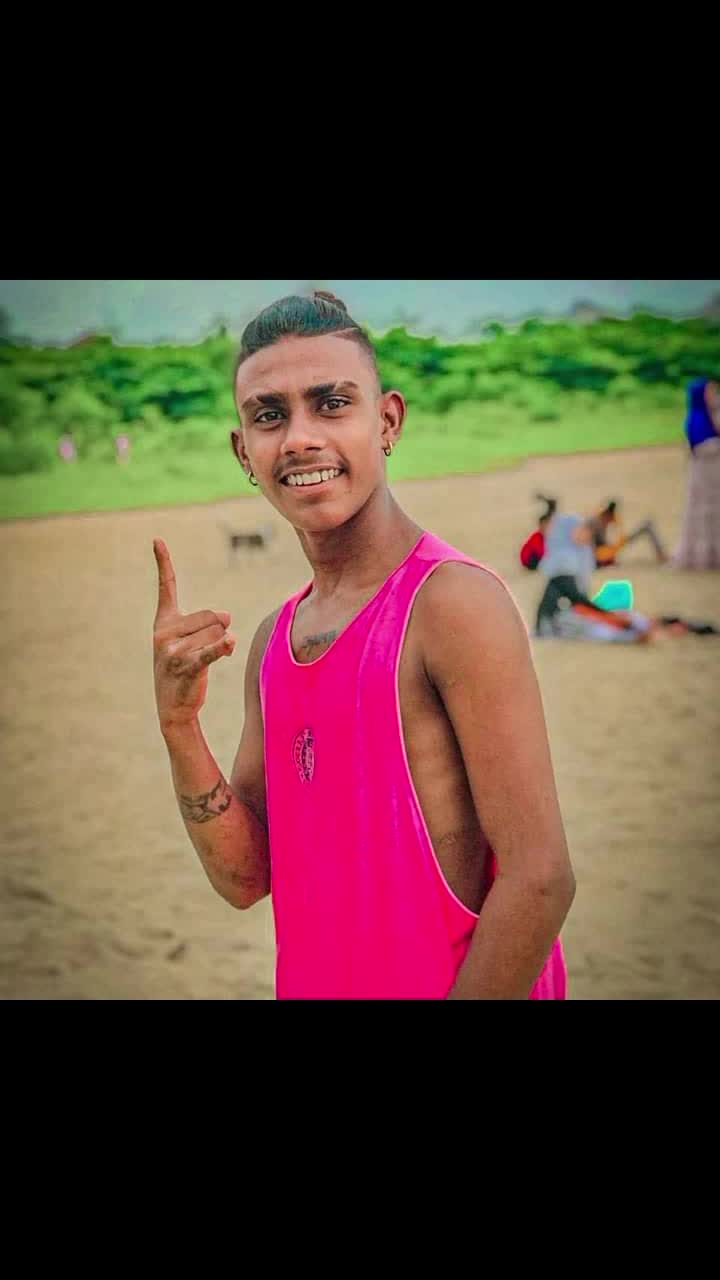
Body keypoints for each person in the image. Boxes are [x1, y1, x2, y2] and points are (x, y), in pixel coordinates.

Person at [152, 291, 575, 999]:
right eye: (269, 415)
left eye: (332, 404)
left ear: (387, 421)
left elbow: (540, 879)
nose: (299, 438)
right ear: (244, 451)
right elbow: (245, 878)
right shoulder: (274, 642)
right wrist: (178, 726)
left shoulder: (451, 605)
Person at [535, 513, 717, 642]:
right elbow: (576, 599)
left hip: (575, 613)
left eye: (587, 534)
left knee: (625, 615)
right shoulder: (562, 563)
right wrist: (609, 616)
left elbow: (579, 599)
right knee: (617, 624)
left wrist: (609, 615)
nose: (583, 537)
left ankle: (676, 624)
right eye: (581, 531)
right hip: (560, 620)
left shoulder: (574, 558)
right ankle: (663, 628)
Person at [672, 378, 720, 570]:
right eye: (710, 392)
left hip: (714, 475)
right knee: (703, 513)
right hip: (704, 476)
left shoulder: (712, 415)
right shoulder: (697, 419)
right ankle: (703, 555)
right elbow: (702, 447)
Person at [588, 499, 667, 568]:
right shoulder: (594, 522)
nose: (608, 519)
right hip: (602, 554)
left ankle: (661, 555)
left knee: (647, 525)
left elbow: (619, 537)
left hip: (612, 548)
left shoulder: (612, 518)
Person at [519, 494, 557, 571]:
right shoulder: (537, 537)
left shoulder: (545, 536)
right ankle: (551, 506)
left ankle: (551, 506)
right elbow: (542, 552)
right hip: (529, 560)